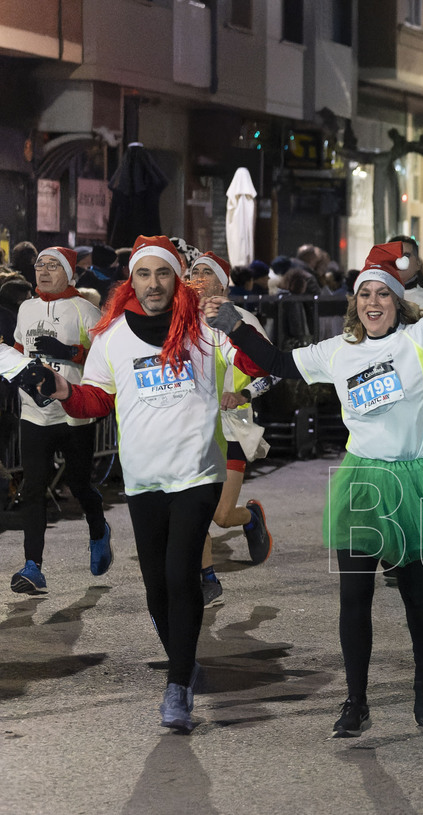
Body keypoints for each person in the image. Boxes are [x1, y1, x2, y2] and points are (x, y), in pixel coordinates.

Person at [205, 197, 423, 737]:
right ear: (354, 304)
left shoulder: (421, 339)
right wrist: (233, 325)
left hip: (416, 477)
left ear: (398, 303)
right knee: (354, 596)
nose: (374, 300)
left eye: (384, 293)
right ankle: (356, 701)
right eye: (366, 293)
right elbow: (279, 363)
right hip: (363, 480)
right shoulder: (338, 351)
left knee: (416, 592)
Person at [41, 235, 268, 733]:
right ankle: (185, 663)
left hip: (197, 472)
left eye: (161, 273)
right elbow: (96, 400)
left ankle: (177, 684)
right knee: (154, 587)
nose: (152, 283)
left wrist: (233, 323)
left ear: (175, 277)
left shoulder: (205, 327)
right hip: (143, 479)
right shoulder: (112, 335)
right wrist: (63, 391)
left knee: (180, 574)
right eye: (142, 274)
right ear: (132, 281)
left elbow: (259, 365)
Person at [9, 247, 111, 594]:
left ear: (69, 272)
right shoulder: (26, 308)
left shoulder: (85, 309)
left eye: (54, 265)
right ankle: (32, 566)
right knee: (33, 488)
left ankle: (98, 529)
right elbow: (21, 353)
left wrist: (69, 352)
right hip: (34, 411)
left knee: (79, 484)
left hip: (73, 413)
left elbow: (105, 358)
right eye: (40, 265)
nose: (44, 271)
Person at [184, 252, 276, 607]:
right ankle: (207, 577)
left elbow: (272, 372)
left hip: (234, 426)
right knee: (192, 507)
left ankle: (250, 516)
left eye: (207, 273)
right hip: (193, 428)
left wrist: (243, 394)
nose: (199, 277)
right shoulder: (181, 322)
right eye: (194, 272)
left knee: (222, 516)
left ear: (223, 282)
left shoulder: (243, 320)